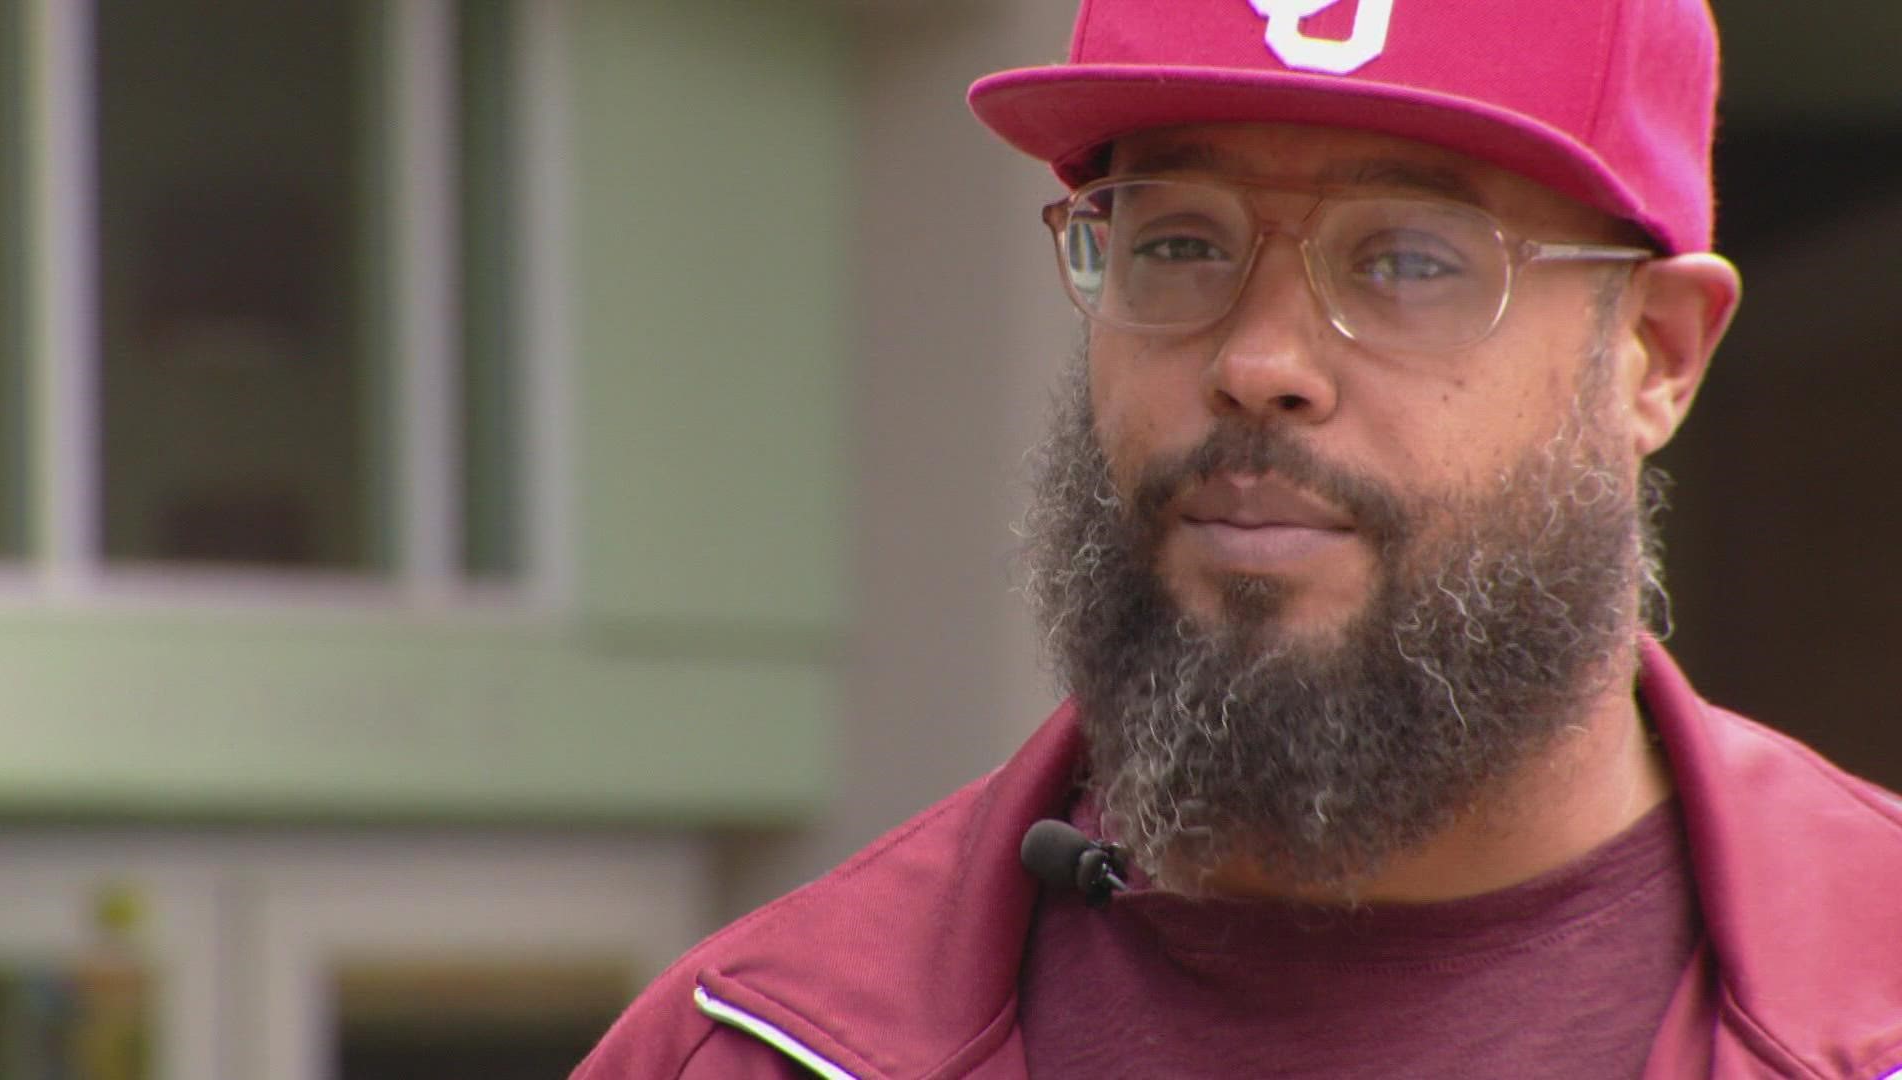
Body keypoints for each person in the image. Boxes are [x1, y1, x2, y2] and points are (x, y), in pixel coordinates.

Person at [575, 0, 1902, 1075]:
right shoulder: (748, 1046)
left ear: (1653, 359)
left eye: (1409, 261)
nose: (1260, 362)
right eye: (1181, 243)